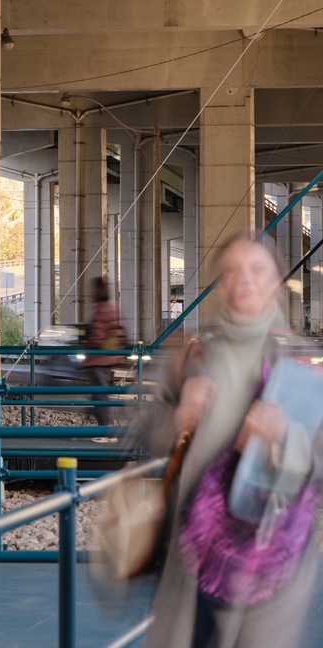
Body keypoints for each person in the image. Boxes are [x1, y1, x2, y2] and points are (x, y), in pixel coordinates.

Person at [140, 233, 323, 648]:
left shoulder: (303, 364)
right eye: (232, 271)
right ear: (220, 283)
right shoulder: (191, 357)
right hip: (195, 556)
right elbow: (145, 431)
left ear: (276, 282)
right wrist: (178, 419)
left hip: (271, 561)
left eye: (257, 270)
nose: (244, 281)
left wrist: (282, 440)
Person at [83, 277, 124, 440]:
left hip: (98, 359)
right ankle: (108, 430)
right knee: (102, 395)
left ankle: (107, 432)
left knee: (99, 397)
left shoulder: (100, 309)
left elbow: (97, 336)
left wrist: (88, 341)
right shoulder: (113, 308)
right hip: (110, 358)